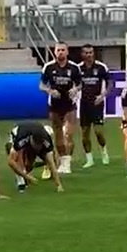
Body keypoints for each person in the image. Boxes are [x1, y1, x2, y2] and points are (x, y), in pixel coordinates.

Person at [40, 42, 82, 174]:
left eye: (63, 50)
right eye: (58, 50)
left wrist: (75, 89)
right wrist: (50, 91)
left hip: (70, 104)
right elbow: (41, 85)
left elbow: (80, 84)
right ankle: (63, 161)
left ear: (67, 52)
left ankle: (67, 162)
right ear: (54, 52)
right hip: (55, 104)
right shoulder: (48, 67)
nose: (60, 52)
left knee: (69, 134)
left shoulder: (74, 68)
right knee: (58, 133)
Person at [6, 121, 64, 193]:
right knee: (18, 158)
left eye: (39, 145)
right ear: (31, 139)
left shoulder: (47, 142)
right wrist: (27, 177)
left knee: (31, 164)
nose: (38, 147)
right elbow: (11, 162)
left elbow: (52, 164)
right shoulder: (21, 139)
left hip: (35, 132)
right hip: (19, 132)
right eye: (36, 145)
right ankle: (21, 181)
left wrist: (59, 185)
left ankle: (27, 173)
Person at [78, 44, 111, 168]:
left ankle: (104, 152)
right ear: (82, 54)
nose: (89, 55)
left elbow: (110, 83)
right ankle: (89, 159)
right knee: (85, 133)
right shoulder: (78, 68)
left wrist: (102, 96)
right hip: (84, 104)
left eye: (91, 52)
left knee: (98, 132)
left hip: (97, 103)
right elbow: (75, 83)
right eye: (86, 53)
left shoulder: (101, 67)